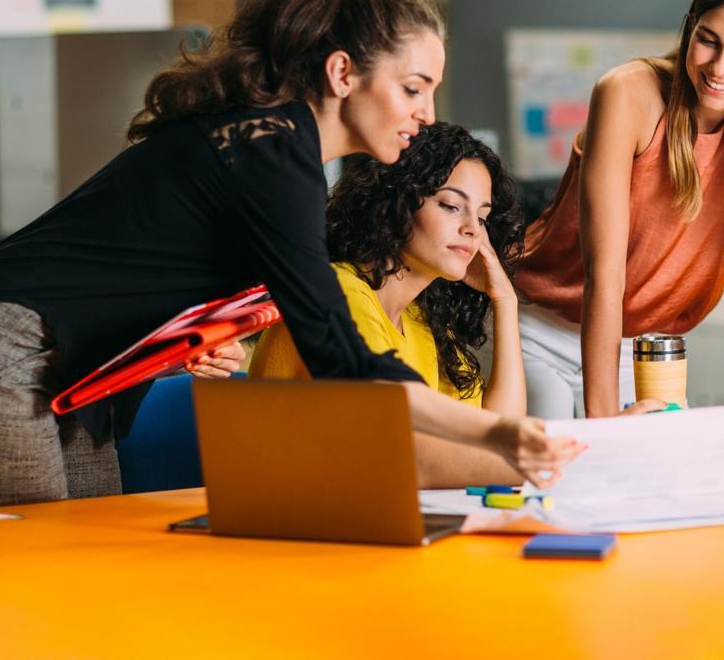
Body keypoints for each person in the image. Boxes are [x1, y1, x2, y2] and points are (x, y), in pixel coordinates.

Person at [0, 0, 583, 510]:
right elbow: (344, 360)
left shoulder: (281, 153)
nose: (427, 113)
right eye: (412, 87)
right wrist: (501, 435)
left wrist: (183, 340)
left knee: (90, 584)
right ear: (344, 72)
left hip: (77, 377)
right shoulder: (275, 149)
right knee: (31, 587)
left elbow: (147, 267)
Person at [513, 0, 724, 453]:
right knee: (552, 473)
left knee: (645, 487)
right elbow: (606, 269)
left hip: (636, 347)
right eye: (708, 40)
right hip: (538, 327)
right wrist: (603, 420)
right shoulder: (629, 93)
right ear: (689, 30)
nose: (720, 68)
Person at [249, 123, 652, 485]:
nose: (471, 229)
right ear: (396, 202)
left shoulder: (422, 321)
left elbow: (496, 430)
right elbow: (412, 459)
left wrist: (505, 301)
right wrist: (594, 453)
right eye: (450, 205)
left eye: (482, 216)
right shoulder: (337, 291)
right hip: (291, 530)